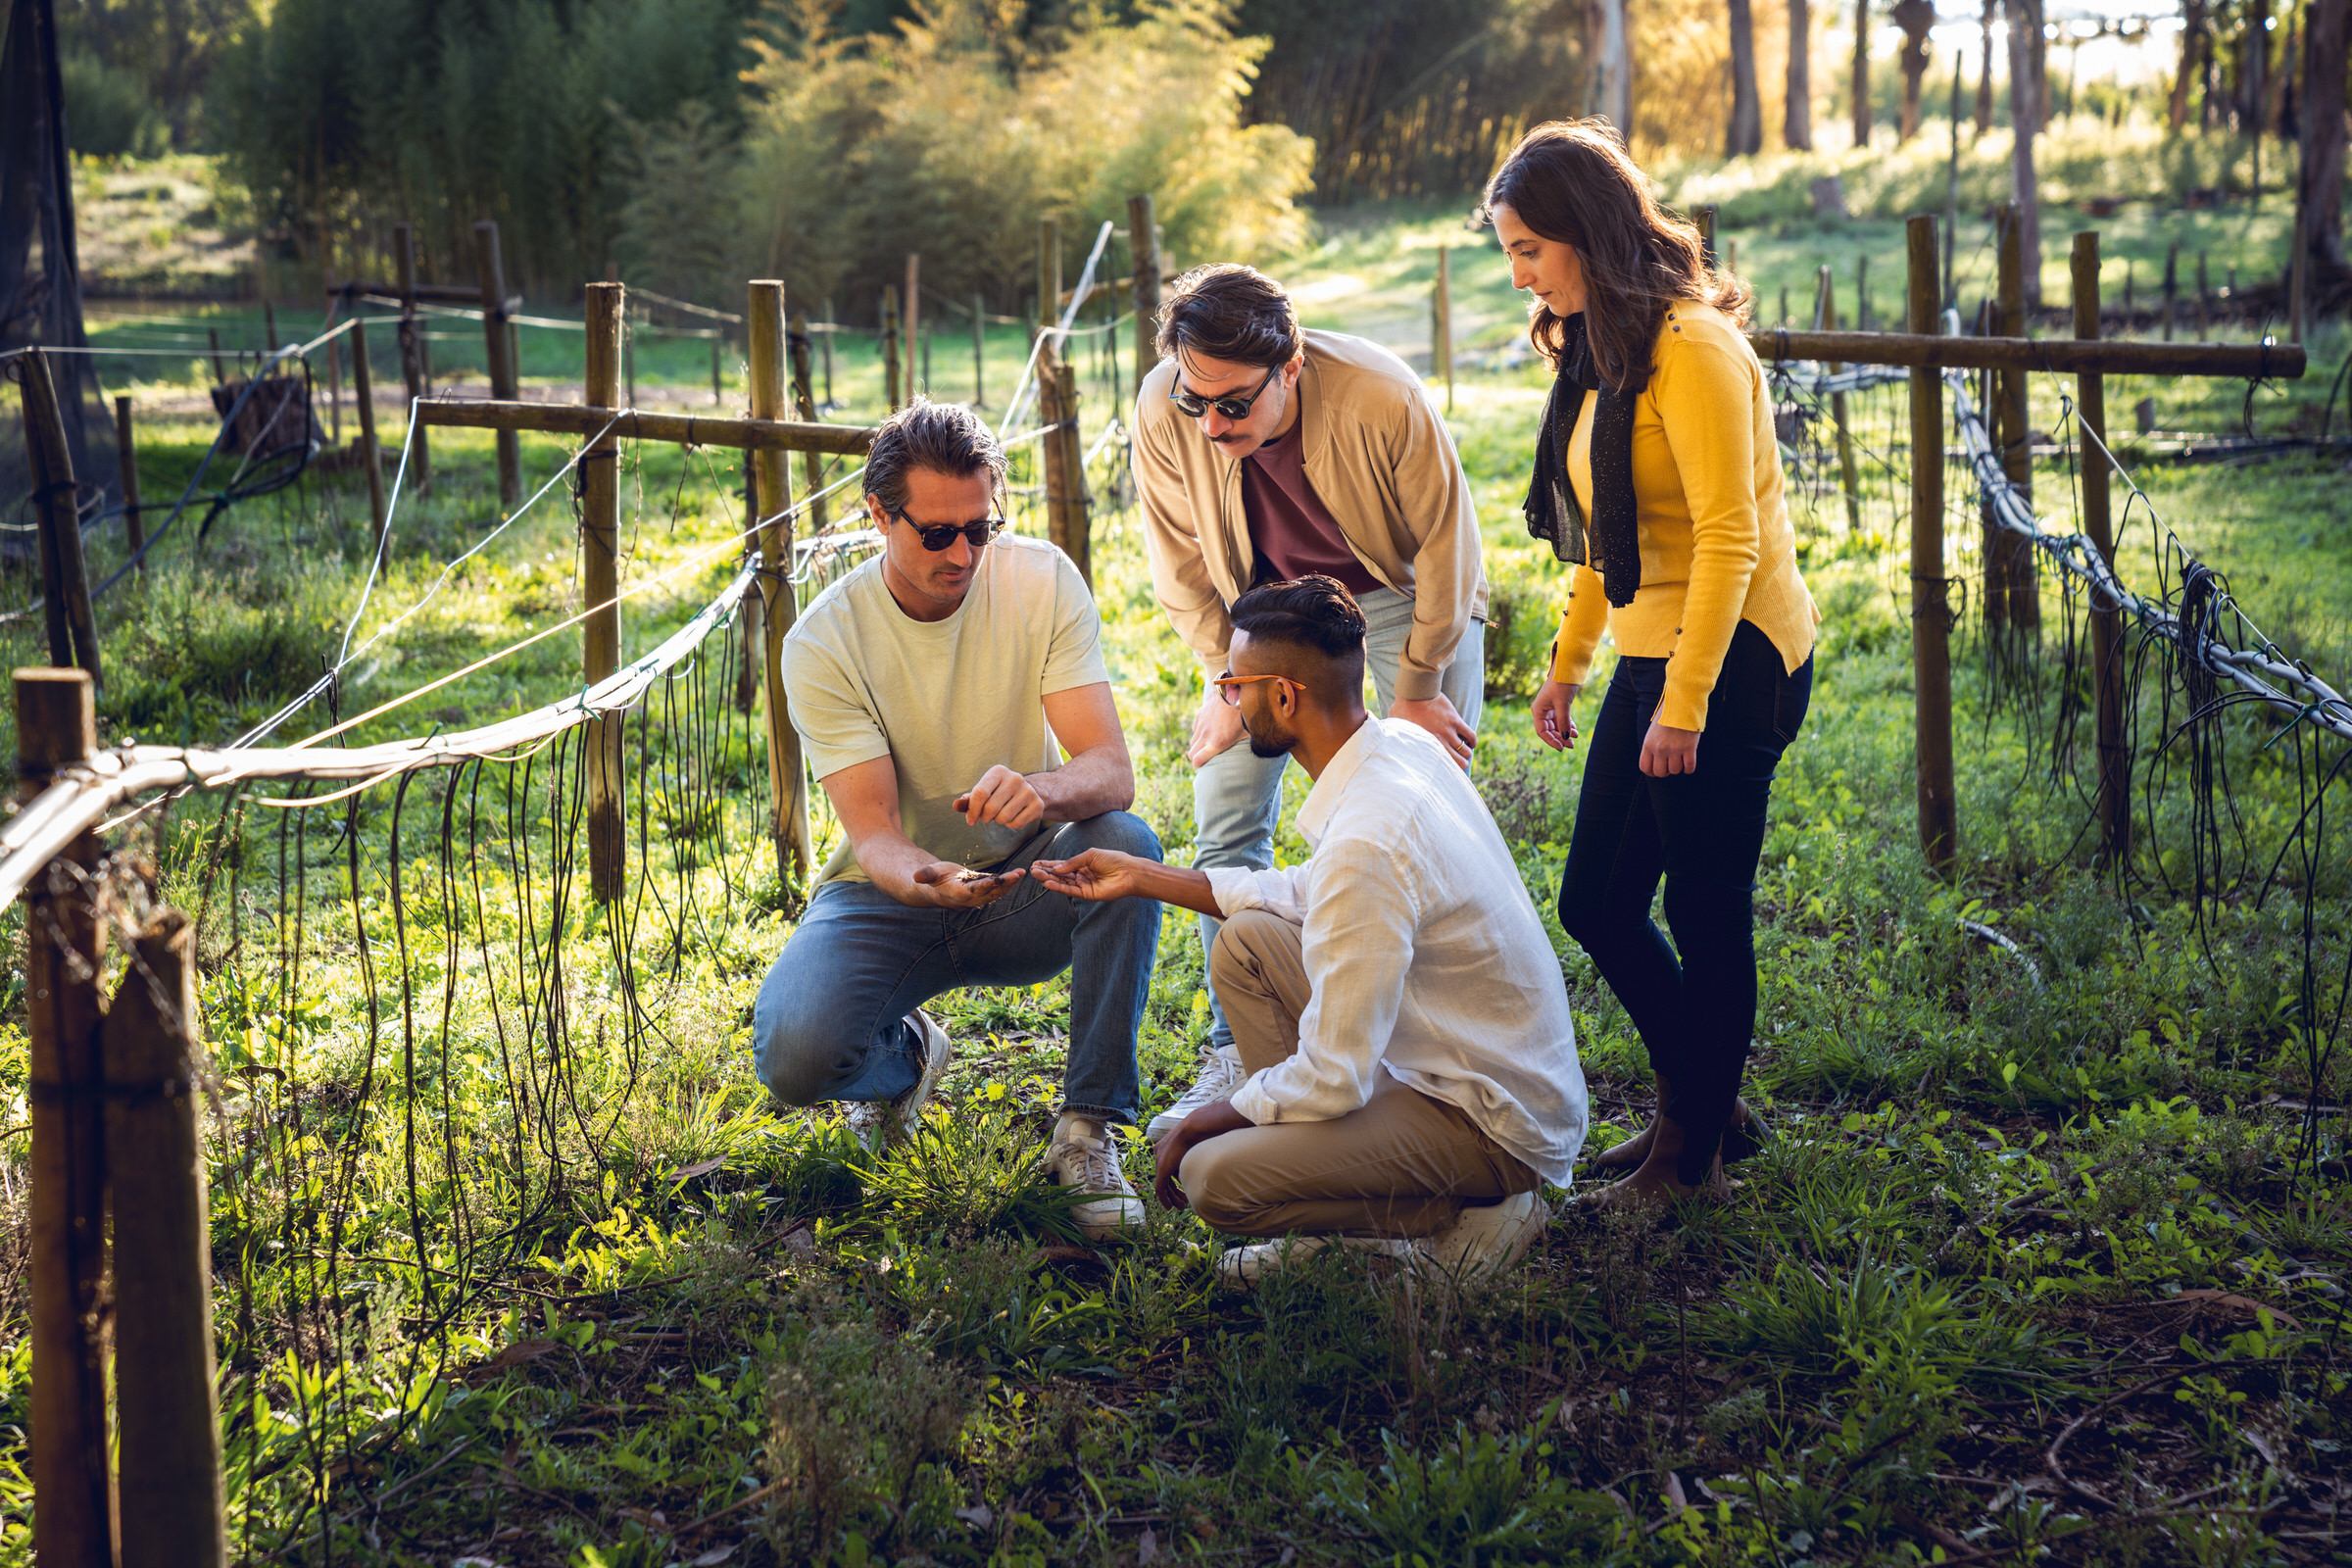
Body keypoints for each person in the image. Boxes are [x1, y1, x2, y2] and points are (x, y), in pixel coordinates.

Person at [1032, 577, 1589, 1288]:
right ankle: (1347, 1180)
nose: (1229, 700)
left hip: (1492, 1121)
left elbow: (1335, 1074)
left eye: (1234, 686)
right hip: (1456, 1062)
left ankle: (1467, 1219)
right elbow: (1308, 891)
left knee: (1212, 1176)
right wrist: (1143, 876)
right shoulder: (1399, 746)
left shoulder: (1368, 841)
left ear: (1285, 698)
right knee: (1247, 944)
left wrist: (1216, 1117)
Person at [1484, 120, 1818, 1210]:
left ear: (1585, 231)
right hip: (1651, 652)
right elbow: (1609, 533)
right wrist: (1568, 665)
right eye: (1511, 253)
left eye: (1530, 249)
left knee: (1706, 910)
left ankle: (1688, 1159)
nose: (1521, 275)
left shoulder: (1694, 347)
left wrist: (1684, 703)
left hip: (1735, 659)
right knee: (1598, 901)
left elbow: (1728, 538)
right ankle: (1706, 1108)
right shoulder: (1601, 348)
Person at [751, 400, 1162, 1241]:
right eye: (938, 533)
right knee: (792, 1057)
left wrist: (1043, 792)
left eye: (980, 528)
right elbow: (873, 833)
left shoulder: (1039, 580)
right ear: (878, 515)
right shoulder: (824, 641)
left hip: (1028, 880)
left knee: (1129, 845)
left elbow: (1110, 772)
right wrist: (925, 877)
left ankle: (1087, 1134)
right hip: (889, 893)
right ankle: (907, 1060)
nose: (964, 554)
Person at [1132, 263, 1490, 1144]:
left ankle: (1434, 1057)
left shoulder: (1380, 394)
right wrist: (1224, 676)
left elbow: (1449, 546)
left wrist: (1419, 687)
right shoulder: (1164, 407)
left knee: (1423, 820)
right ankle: (1235, 1047)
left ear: (1290, 367)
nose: (1211, 425)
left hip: (1399, 593)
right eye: (1195, 401)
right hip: (1260, 611)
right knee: (1225, 817)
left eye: (1233, 405)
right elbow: (1178, 557)